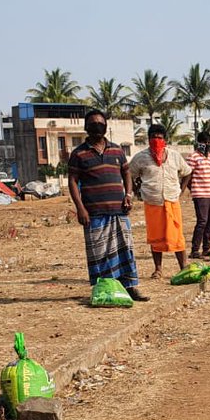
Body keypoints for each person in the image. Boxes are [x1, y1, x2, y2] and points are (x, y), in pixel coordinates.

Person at [67, 110, 148, 301]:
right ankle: (103, 290)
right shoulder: (79, 154)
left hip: (119, 210)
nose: (97, 126)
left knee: (124, 250)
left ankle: (130, 287)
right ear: (86, 127)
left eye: (100, 123)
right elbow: (72, 181)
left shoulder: (117, 150)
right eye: (93, 123)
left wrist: (128, 194)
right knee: (99, 254)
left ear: (106, 126)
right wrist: (80, 207)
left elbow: (126, 173)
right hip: (93, 212)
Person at [129, 124, 191, 278]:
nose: (156, 140)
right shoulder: (140, 157)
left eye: (160, 137)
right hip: (152, 201)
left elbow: (188, 172)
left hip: (172, 200)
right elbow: (129, 175)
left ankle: (183, 266)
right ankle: (158, 269)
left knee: (176, 235)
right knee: (155, 236)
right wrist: (136, 191)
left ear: (165, 140)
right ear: (149, 139)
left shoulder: (175, 156)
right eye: (153, 137)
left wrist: (181, 190)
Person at [185, 132, 210, 258]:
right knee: (202, 222)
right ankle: (194, 250)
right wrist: (193, 188)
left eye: (208, 142)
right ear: (198, 142)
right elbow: (187, 176)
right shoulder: (192, 157)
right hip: (200, 195)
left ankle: (206, 248)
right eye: (204, 142)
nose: (206, 144)